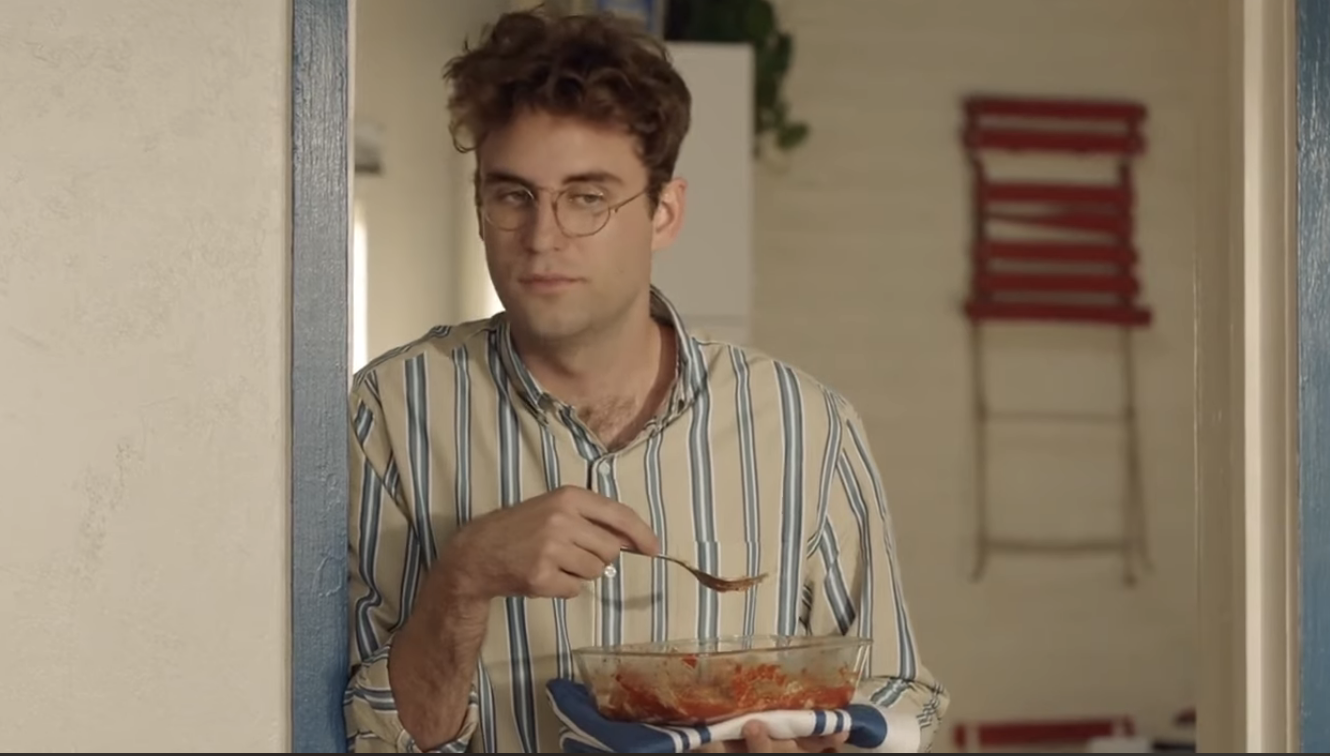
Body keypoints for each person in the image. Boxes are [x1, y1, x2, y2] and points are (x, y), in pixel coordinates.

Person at [343, 8, 948, 753]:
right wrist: (464, 575)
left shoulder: (806, 427)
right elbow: (369, 739)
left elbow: (895, 698)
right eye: (512, 196)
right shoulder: (391, 414)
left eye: (588, 198)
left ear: (664, 212)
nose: (543, 236)